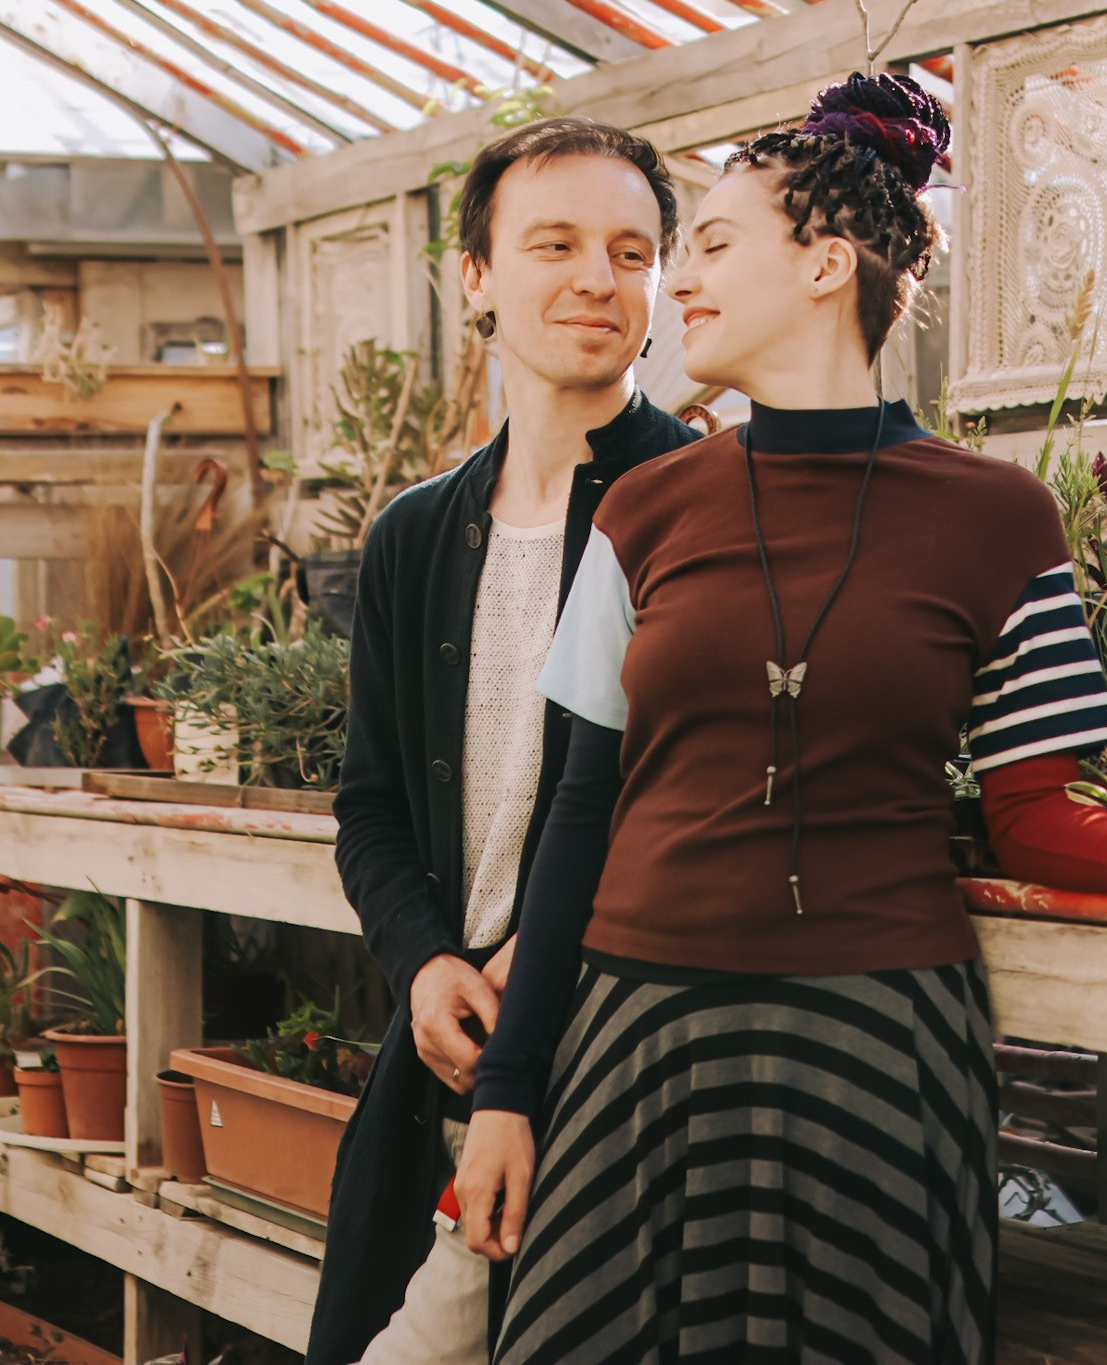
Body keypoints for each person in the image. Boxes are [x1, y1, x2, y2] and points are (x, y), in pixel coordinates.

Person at [453, 73, 1107, 1364]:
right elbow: (581, 812)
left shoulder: (1000, 516)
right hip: (638, 1039)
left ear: (829, 262)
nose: (678, 284)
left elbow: (1030, 807)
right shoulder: (642, 512)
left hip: (878, 1047)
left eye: (713, 247)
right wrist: (510, 1091)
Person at [304, 117, 699, 1365]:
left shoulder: (703, 503)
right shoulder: (414, 537)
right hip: (444, 1047)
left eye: (630, 251)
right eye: (556, 243)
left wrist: (542, 960)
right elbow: (367, 806)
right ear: (474, 276)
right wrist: (424, 965)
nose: (598, 276)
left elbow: (691, 798)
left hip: (617, 1054)